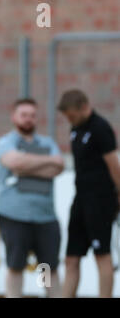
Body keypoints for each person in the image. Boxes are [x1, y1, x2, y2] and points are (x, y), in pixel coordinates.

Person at [0, 98, 64, 298]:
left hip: (45, 217)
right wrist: (45, 162)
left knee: (47, 268)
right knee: (16, 266)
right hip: (14, 216)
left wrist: (25, 167)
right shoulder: (5, 142)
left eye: (32, 115)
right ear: (14, 117)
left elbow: (57, 167)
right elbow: (14, 161)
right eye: (24, 115)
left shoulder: (47, 143)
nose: (28, 119)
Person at [58, 89, 120, 298]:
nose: (70, 120)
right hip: (81, 199)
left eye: (72, 115)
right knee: (71, 257)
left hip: (100, 200)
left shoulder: (100, 128)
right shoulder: (75, 129)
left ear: (84, 106)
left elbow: (114, 165)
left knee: (102, 255)